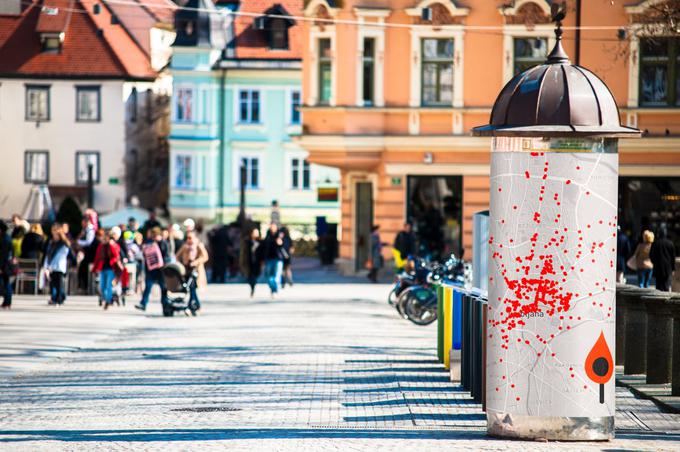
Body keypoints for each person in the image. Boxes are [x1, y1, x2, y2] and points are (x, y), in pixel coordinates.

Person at [135, 227, 170, 312]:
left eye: (154, 236)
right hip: (150, 270)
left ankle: (165, 305)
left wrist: (162, 263)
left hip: (161, 270)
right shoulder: (149, 243)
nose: (153, 238)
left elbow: (167, 256)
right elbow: (144, 254)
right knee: (148, 287)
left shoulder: (164, 243)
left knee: (163, 288)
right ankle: (143, 303)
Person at [175, 230, 209, 313]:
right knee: (191, 288)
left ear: (195, 238)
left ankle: (192, 306)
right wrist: (181, 264)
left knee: (192, 287)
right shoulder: (185, 246)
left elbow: (205, 257)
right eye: (187, 238)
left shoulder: (199, 246)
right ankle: (196, 306)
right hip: (187, 270)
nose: (189, 240)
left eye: (190, 238)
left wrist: (196, 262)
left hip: (196, 270)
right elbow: (177, 256)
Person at [92, 230, 123, 309]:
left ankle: (108, 301)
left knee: (109, 285)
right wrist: (94, 269)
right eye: (103, 238)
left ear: (109, 238)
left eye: (106, 238)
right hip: (102, 268)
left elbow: (117, 256)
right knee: (102, 286)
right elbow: (97, 258)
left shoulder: (112, 245)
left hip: (111, 268)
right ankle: (106, 299)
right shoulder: (100, 247)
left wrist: (112, 246)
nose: (104, 240)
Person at [43, 224, 72, 305]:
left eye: (55, 234)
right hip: (52, 267)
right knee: (53, 284)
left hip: (59, 266)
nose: (54, 236)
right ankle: (58, 297)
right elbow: (48, 254)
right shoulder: (51, 243)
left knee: (59, 284)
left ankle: (59, 299)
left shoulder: (63, 243)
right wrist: (46, 266)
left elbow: (67, 255)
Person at [650, 225, 677, 292]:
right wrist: (673, 268)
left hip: (658, 267)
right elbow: (673, 257)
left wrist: (654, 262)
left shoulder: (655, 243)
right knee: (666, 285)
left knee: (658, 286)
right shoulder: (670, 243)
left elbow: (651, 255)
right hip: (668, 268)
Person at [261, 222, 285, 298]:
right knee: (269, 277)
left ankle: (275, 291)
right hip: (269, 258)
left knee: (277, 276)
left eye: (273, 226)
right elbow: (264, 247)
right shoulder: (267, 236)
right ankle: (273, 289)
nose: (272, 228)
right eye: (271, 226)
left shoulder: (280, 235)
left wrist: (281, 243)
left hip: (278, 258)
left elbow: (286, 245)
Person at [241, 228, 262, 298]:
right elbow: (243, 252)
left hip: (257, 262)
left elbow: (263, 251)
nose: (256, 234)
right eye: (254, 233)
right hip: (249, 262)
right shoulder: (247, 241)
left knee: (255, 276)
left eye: (257, 233)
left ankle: (253, 286)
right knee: (250, 277)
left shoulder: (260, 242)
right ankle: (252, 287)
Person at [0, 221, 14, 309]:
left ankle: (7, 301)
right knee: (6, 282)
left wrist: (0, 267)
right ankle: (6, 302)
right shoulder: (6, 238)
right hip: (6, 264)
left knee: (5, 283)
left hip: (4, 265)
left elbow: (3, 255)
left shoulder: (4, 239)